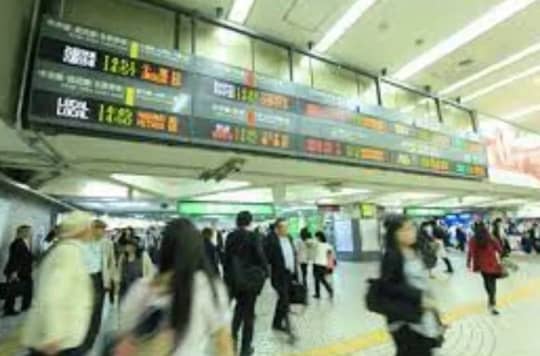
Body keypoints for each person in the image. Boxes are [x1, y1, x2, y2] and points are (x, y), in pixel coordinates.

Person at [114, 218, 234, 356]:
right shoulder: (209, 289)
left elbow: (124, 333)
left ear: (164, 248)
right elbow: (224, 344)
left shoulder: (142, 288)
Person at [22, 211, 95, 355]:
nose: (91, 231)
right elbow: (52, 295)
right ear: (83, 229)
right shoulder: (68, 253)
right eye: (90, 227)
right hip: (59, 341)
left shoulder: (67, 250)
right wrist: (53, 336)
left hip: (60, 337)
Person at [380, 215, 444, 356]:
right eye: (405, 229)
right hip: (405, 320)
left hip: (422, 315)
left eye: (412, 227)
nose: (411, 232)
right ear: (394, 233)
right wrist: (419, 297)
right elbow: (389, 286)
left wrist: (436, 316)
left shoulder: (414, 251)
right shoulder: (392, 255)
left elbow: (423, 281)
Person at [224, 211, 267, 356]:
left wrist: (228, 279)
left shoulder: (230, 236)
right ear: (250, 221)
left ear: (237, 222)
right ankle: (245, 348)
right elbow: (260, 257)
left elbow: (226, 260)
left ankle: (232, 338)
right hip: (250, 281)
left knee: (239, 309)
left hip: (234, 281)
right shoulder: (253, 236)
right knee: (248, 314)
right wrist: (265, 272)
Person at [80, 219, 116, 352]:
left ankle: (89, 341)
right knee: (83, 310)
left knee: (96, 312)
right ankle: (80, 337)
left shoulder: (107, 243)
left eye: (103, 229)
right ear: (92, 229)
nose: (102, 232)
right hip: (83, 279)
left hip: (99, 278)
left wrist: (111, 280)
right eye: (99, 229)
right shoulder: (82, 242)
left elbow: (111, 262)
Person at [264, 218, 297, 341]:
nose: (286, 229)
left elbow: (292, 255)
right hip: (278, 274)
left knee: (284, 299)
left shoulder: (289, 238)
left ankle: (277, 323)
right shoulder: (271, 240)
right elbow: (266, 256)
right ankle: (288, 328)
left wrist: (295, 272)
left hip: (289, 273)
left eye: (287, 227)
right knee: (284, 298)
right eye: (284, 227)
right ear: (277, 228)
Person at [468, 221, 503, 315]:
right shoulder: (491, 238)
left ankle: (490, 298)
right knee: (493, 284)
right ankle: (492, 301)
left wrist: (468, 262)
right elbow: (499, 249)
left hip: (481, 265)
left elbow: (471, 252)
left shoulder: (473, 239)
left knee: (487, 281)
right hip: (493, 264)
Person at [3, 225, 34, 316]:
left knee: (19, 288)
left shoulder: (23, 242)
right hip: (17, 271)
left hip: (22, 271)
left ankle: (20, 307)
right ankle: (10, 309)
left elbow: (26, 257)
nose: (30, 233)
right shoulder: (17, 243)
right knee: (13, 290)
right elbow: (15, 259)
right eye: (29, 231)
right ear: (23, 232)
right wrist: (14, 272)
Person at [116, 235, 154, 300]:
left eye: (129, 245)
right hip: (124, 288)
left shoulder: (143, 256)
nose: (127, 247)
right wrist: (117, 283)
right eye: (126, 245)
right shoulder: (123, 257)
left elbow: (150, 271)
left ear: (135, 247)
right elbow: (119, 271)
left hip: (139, 288)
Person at [312, 231, 334, 300]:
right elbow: (330, 257)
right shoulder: (328, 245)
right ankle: (319, 293)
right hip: (324, 265)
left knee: (318, 279)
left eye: (316, 237)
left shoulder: (317, 244)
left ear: (318, 237)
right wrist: (330, 266)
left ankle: (326, 291)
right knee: (321, 279)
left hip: (317, 264)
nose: (315, 238)